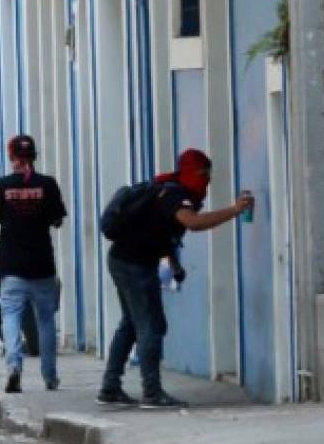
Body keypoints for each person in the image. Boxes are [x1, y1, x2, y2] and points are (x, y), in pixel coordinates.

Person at [99, 148, 253, 409]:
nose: (207, 180)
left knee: (131, 324)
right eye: (204, 174)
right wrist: (235, 210)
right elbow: (192, 222)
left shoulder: (166, 189)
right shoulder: (175, 194)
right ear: (192, 173)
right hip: (135, 264)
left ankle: (110, 388)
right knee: (151, 325)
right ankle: (152, 392)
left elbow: (159, 230)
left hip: (124, 259)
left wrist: (172, 261)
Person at [0, 134, 68, 393]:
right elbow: (57, 219)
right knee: (45, 320)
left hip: (12, 263)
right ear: (35, 155)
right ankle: (50, 376)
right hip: (42, 262)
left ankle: (13, 366)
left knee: (10, 316)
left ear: (11, 156)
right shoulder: (48, 184)